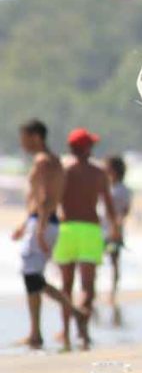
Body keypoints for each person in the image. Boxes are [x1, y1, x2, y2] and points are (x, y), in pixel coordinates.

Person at [12, 120, 86, 351]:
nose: (22, 143)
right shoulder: (56, 161)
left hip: (43, 223)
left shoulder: (42, 161)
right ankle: (37, 332)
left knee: (32, 278)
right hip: (46, 221)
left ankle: (71, 315)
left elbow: (43, 197)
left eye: (24, 137)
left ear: (35, 137)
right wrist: (27, 224)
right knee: (33, 278)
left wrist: (40, 229)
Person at [53, 128, 120, 348]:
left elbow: (52, 202)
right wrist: (116, 230)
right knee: (88, 287)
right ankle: (83, 330)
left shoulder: (63, 171)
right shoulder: (99, 173)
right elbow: (109, 206)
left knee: (66, 286)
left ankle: (65, 332)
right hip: (90, 230)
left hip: (66, 229)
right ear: (86, 148)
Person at [103, 156, 132, 325]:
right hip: (101, 228)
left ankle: (112, 293)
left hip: (115, 229)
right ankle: (95, 290)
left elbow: (125, 210)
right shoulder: (107, 186)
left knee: (114, 261)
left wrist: (117, 227)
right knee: (97, 260)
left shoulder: (122, 189)